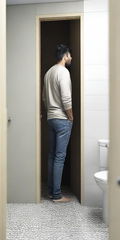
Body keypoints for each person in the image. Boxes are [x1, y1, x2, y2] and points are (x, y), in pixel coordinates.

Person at [42, 44, 73, 203]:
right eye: (70, 55)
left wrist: (50, 112)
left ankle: (50, 191)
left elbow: (45, 98)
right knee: (60, 157)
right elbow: (66, 98)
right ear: (65, 55)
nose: (71, 58)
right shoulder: (63, 72)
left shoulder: (49, 72)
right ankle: (57, 195)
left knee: (52, 156)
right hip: (61, 119)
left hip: (51, 118)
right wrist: (71, 117)